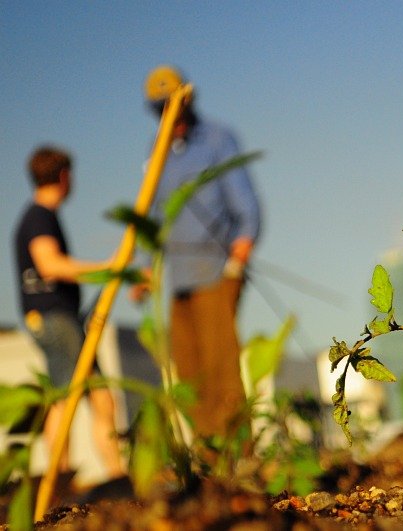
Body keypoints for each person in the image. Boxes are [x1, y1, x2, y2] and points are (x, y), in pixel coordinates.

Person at [136, 65, 262, 439]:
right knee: (189, 375)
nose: (167, 115)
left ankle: (237, 460)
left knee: (221, 370)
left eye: (172, 106)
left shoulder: (218, 139)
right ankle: (208, 466)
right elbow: (152, 214)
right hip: (178, 281)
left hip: (215, 273)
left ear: (187, 100)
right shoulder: (155, 151)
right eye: (159, 109)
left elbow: (245, 202)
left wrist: (241, 251)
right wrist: (145, 268)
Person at [13, 146, 125, 478]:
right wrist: (105, 270)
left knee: (100, 398)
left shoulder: (39, 217)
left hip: (59, 320)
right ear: (63, 177)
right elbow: (49, 264)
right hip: (55, 320)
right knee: (66, 398)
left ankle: (116, 476)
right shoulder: (39, 217)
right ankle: (59, 482)